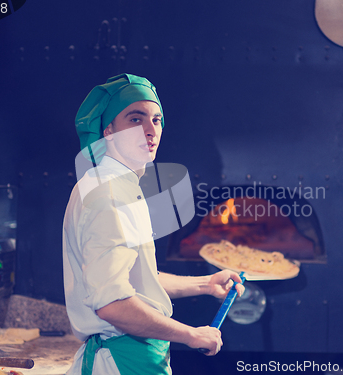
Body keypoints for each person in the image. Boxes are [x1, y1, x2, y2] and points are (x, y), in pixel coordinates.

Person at [63, 74, 244, 375]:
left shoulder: (118, 186)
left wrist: (205, 284)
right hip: (122, 361)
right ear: (108, 131)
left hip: (135, 357)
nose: (150, 130)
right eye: (136, 119)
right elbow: (112, 303)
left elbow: (134, 282)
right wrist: (191, 335)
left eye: (157, 120)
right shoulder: (107, 193)